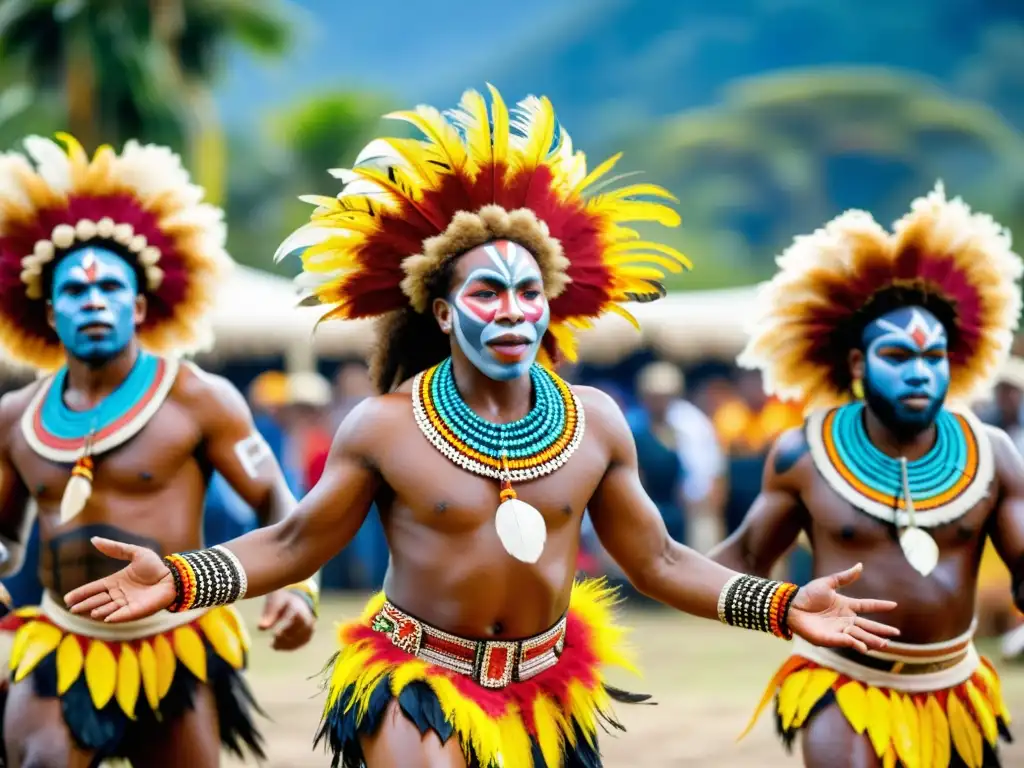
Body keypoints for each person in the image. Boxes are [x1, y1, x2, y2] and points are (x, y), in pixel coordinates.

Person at [65, 88, 898, 768]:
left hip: (548, 689)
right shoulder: (384, 427)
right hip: (414, 680)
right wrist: (180, 580)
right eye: (488, 293)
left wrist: (780, 607)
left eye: (529, 293)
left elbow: (660, 560)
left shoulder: (595, 423)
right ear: (441, 308)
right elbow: (291, 545)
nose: (512, 311)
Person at [0, 134, 318, 767]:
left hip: (174, 641)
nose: (94, 301)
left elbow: (276, 501)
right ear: (50, 314)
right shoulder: (14, 419)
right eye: (75, 292)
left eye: (112, 289)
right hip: (62, 637)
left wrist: (298, 585)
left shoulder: (199, 398)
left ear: (139, 305)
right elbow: (4, 540)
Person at [710, 184, 1024, 767]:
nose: (920, 375)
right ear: (858, 364)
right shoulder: (803, 454)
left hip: (955, 689)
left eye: (934, 359)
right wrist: (648, 556)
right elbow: (740, 561)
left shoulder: (994, 454)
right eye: (898, 357)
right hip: (844, 683)